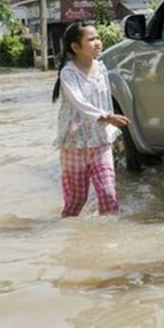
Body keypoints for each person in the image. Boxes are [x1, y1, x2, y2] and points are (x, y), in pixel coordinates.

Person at [52, 21, 130, 217]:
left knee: (109, 196)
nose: (98, 42)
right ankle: (70, 239)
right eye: (91, 39)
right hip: (74, 143)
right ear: (76, 47)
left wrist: (111, 128)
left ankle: (109, 242)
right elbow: (78, 102)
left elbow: (105, 100)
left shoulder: (101, 68)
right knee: (76, 201)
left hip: (100, 140)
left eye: (98, 38)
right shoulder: (68, 73)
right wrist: (107, 117)